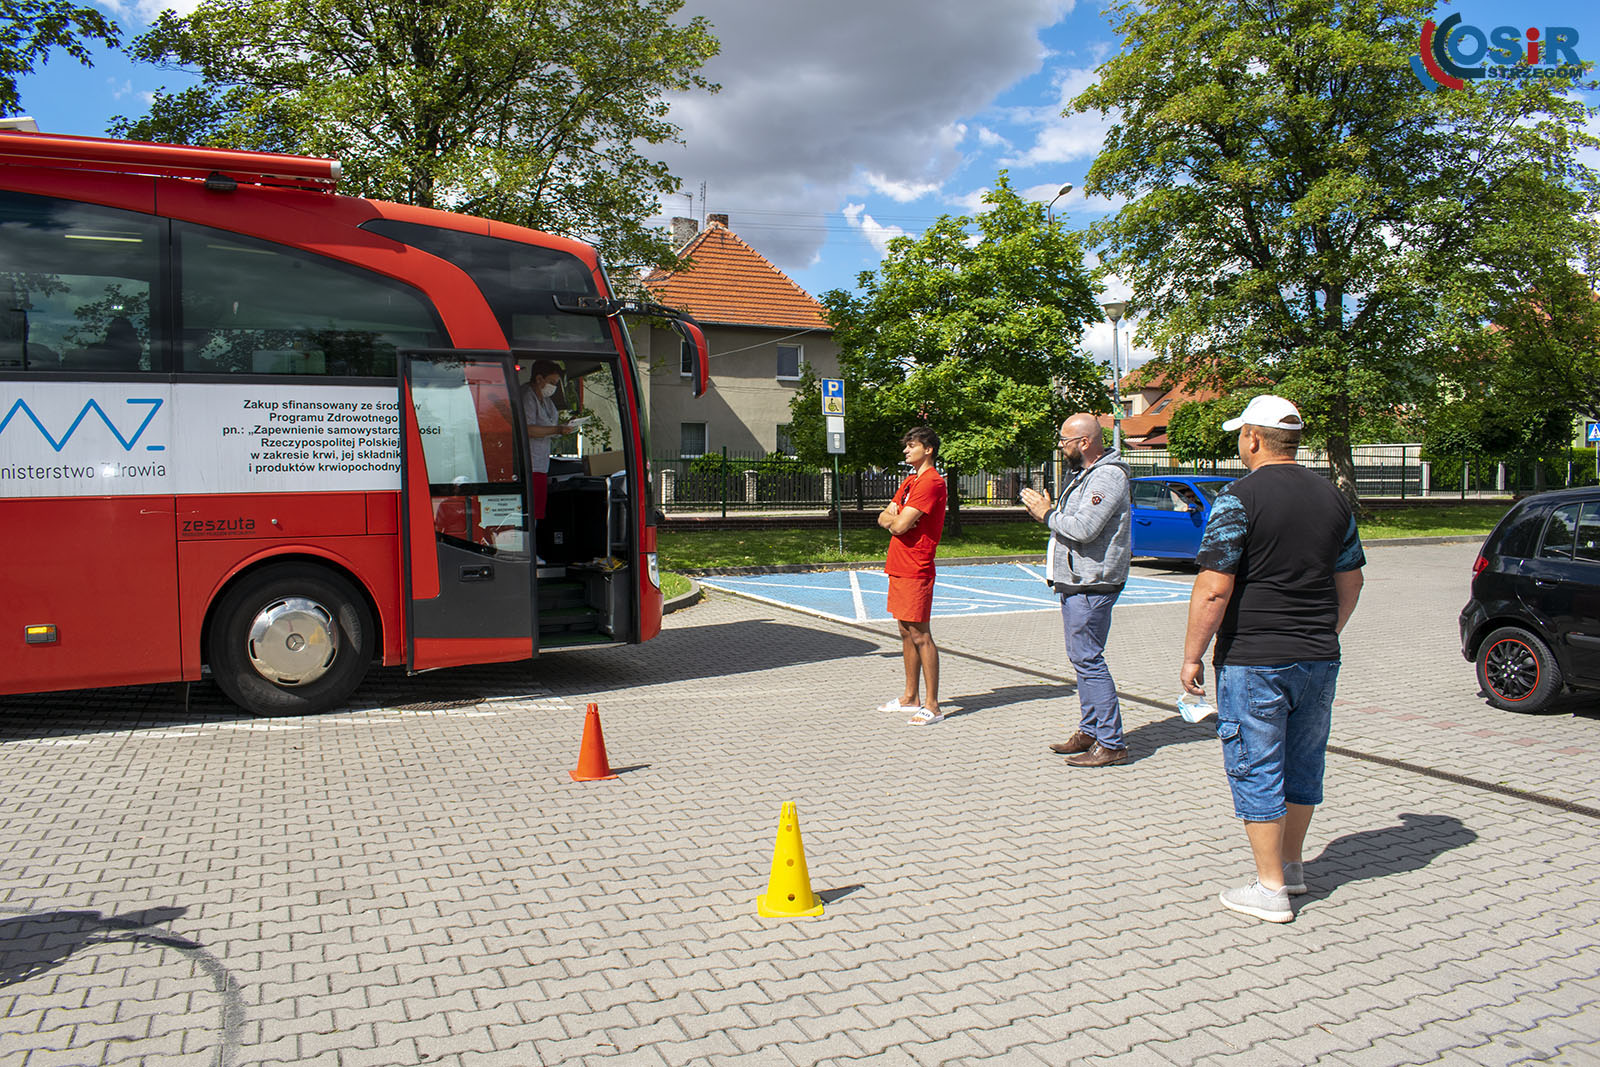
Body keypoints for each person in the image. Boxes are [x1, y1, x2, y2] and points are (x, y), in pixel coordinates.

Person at [1179, 395, 1365, 924]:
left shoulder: (1238, 499)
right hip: (1317, 656)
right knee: (1302, 764)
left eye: (1240, 435)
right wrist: (1324, 631)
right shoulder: (1334, 499)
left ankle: (1269, 888)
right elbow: (1351, 580)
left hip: (1254, 656)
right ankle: (1292, 866)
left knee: (1256, 767)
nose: (1239, 444)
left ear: (1254, 439)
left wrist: (1192, 656)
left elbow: (1214, 589)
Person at [1020, 414, 1132, 767]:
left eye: (1065, 441)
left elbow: (1084, 528)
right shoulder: (1085, 475)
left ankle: (1111, 742)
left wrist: (1048, 514)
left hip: (1092, 582)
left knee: (1088, 659)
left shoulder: (1108, 476)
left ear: (1084, 442)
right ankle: (1091, 729)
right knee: (1082, 659)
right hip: (1076, 580)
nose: (1061, 446)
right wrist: (1052, 512)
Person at [877, 426, 948, 725]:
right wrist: (895, 518)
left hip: (916, 565)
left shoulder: (931, 483)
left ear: (928, 449)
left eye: (911, 446)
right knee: (905, 632)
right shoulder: (909, 481)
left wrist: (896, 519)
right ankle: (910, 697)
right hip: (899, 564)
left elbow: (899, 525)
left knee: (921, 634)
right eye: (906, 446)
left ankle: (932, 705)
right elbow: (884, 516)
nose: (906, 451)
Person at [522, 359, 575, 523]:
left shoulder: (547, 401)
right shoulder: (526, 396)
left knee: (537, 512)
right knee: (530, 513)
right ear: (539, 379)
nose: (554, 387)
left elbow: (550, 427)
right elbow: (528, 430)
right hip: (528, 463)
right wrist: (557, 429)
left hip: (540, 463)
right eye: (552, 382)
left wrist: (566, 426)